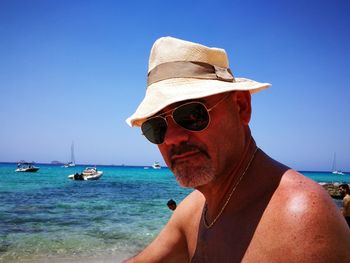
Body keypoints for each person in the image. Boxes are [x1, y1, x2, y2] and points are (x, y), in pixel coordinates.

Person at [124, 37, 350, 262]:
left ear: (241, 107)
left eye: (191, 114)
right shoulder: (195, 210)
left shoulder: (300, 220)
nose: (172, 138)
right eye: (157, 126)